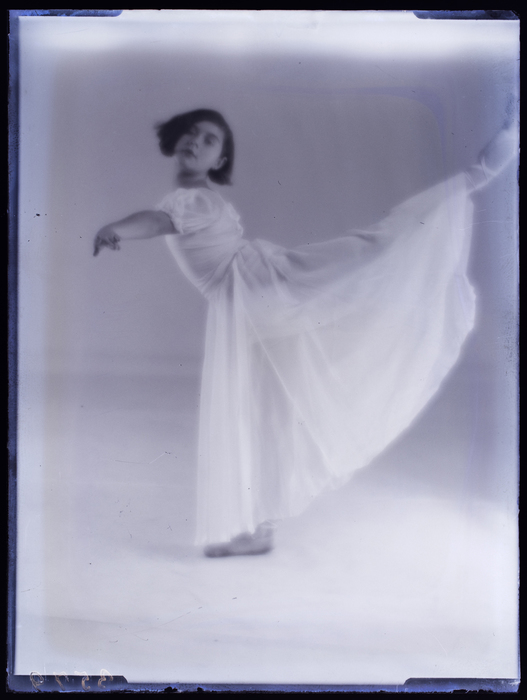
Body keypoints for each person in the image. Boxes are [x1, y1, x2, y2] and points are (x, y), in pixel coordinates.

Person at [94, 108, 516, 558]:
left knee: (376, 248)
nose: (195, 141)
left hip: (264, 288)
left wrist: (116, 228)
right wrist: (122, 228)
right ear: (178, 139)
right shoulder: (188, 199)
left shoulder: (190, 201)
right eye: (191, 133)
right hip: (251, 305)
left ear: (220, 160)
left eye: (209, 140)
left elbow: (155, 222)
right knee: (268, 414)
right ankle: (259, 529)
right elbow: (159, 220)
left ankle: (490, 160)